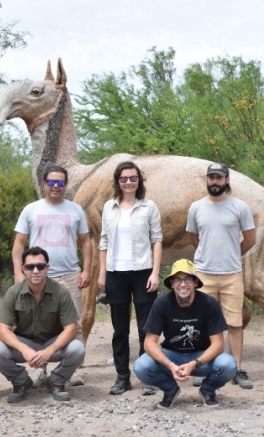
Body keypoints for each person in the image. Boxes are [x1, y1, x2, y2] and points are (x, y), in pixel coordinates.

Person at [12, 165, 92, 387]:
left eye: (60, 183)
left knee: (74, 323)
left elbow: (85, 241)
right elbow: (19, 244)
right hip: (37, 276)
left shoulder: (75, 210)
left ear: (66, 185)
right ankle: (40, 369)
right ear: (43, 184)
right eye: (51, 182)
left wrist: (86, 270)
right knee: (40, 325)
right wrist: (18, 272)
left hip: (69, 274)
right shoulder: (31, 209)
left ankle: (71, 369)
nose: (56, 186)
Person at [186, 162, 255, 389]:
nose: (215, 181)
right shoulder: (196, 207)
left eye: (219, 178)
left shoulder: (240, 207)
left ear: (227, 180)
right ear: (207, 180)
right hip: (204, 273)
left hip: (231, 273)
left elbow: (250, 239)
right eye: (211, 177)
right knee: (202, 324)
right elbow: (195, 239)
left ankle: (236, 369)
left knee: (234, 324)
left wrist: (231, 255)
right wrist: (207, 254)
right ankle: (203, 368)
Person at [134, 259, 238, 409]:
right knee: (141, 367)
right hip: (172, 355)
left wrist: (194, 364)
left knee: (228, 364)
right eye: (178, 279)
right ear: (171, 283)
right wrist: (170, 365)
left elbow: (218, 344)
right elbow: (149, 342)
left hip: (201, 356)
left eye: (188, 279)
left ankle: (207, 390)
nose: (183, 284)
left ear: (196, 282)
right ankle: (170, 389)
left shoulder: (209, 303)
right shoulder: (161, 303)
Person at [0, 247, 86, 403]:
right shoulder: (13, 293)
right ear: (23, 270)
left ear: (47, 268)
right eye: (30, 267)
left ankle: (56, 381)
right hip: (25, 343)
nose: (35, 270)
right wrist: (24, 349)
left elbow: (71, 328)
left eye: (40, 266)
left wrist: (48, 351)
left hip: (53, 343)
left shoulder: (61, 292)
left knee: (78, 348)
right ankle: (21, 382)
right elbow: (2, 329)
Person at [98, 161, 163, 396]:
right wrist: (102, 273)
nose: (128, 182)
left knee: (146, 329)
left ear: (139, 181)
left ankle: (147, 376)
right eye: (124, 178)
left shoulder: (149, 207)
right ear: (117, 181)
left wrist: (155, 273)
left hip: (144, 272)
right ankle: (122, 377)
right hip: (116, 274)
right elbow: (104, 241)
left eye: (133, 178)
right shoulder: (109, 207)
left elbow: (157, 240)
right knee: (120, 330)